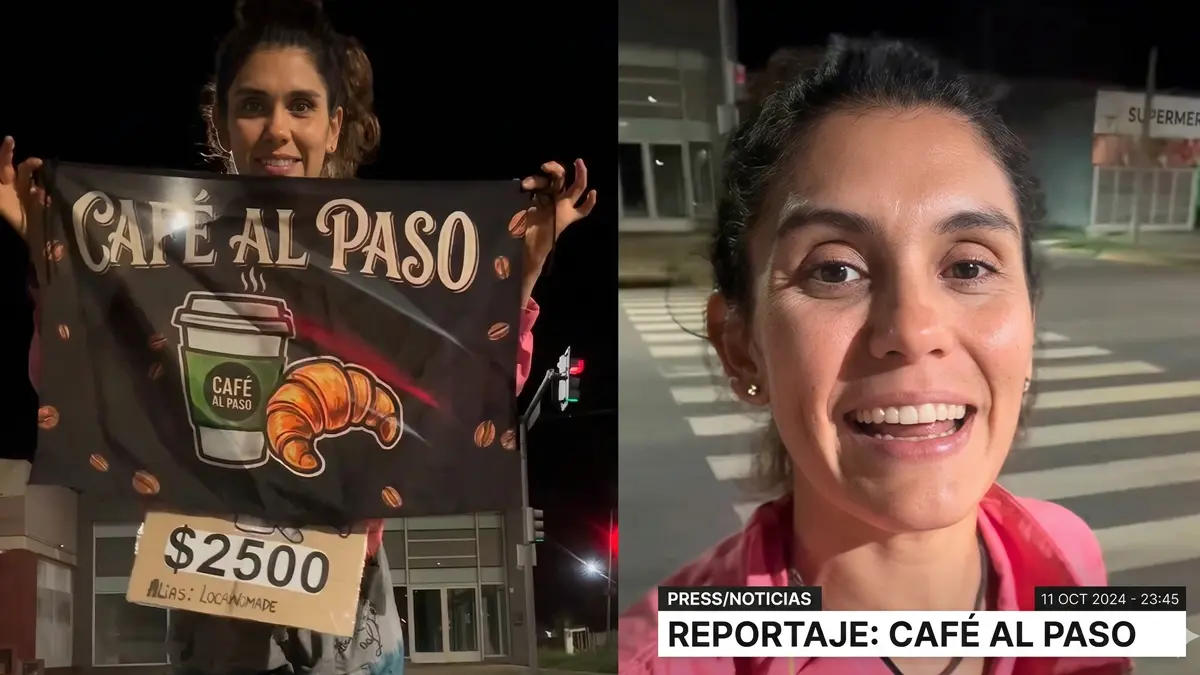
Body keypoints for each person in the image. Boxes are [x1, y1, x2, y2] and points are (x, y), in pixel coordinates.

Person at [0, 0, 596, 673]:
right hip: (217, 600)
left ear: (334, 123)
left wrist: (522, 269)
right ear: (220, 122)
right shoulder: (161, 251)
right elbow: (83, 379)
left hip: (346, 600)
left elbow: (461, 393)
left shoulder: (382, 260)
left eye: (301, 106)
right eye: (253, 105)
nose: (277, 129)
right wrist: (53, 260)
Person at [619, 38, 1129, 675]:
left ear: (1028, 324)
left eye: (970, 266)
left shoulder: (1071, 554)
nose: (913, 329)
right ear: (741, 347)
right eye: (835, 270)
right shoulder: (662, 659)